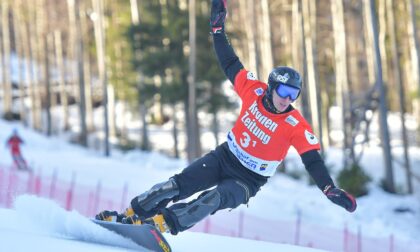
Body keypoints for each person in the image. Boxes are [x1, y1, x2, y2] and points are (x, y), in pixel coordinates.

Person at [96, 0, 357, 234]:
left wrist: (328, 188)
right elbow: (230, 63)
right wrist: (218, 30)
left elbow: (312, 160)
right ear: (271, 86)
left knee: (210, 200)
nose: (288, 99)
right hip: (224, 157)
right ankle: (129, 217)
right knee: (172, 187)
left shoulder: (295, 125)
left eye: (294, 94)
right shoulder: (253, 91)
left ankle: (159, 226)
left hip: (247, 180)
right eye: (284, 91)